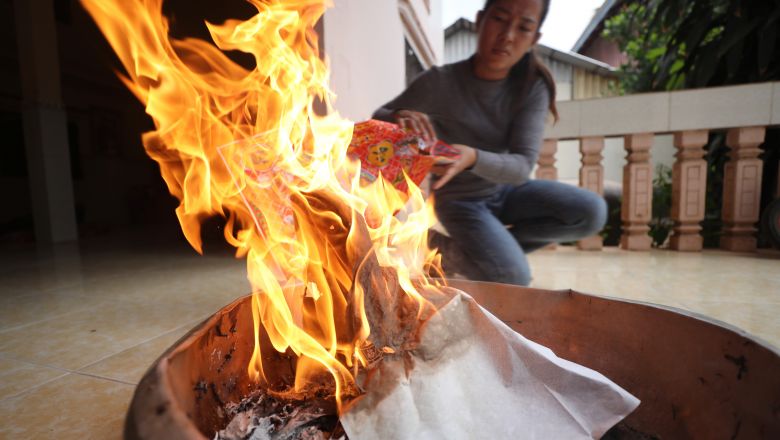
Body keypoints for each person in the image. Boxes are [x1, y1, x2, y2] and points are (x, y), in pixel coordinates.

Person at [373, 0, 607, 286]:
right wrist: (398, 115)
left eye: (523, 27)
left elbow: (522, 166)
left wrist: (472, 157)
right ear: (480, 20)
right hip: (459, 200)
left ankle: (458, 251)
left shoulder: (533, 87)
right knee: (514, 277)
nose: (508, 35)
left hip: (507, 191)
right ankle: (432, 245)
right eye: (499, 18)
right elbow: (379, 117)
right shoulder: (440, 82)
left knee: (591, 213)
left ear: (534, 39)